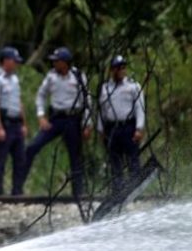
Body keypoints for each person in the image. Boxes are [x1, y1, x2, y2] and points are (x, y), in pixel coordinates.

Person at [21, 47, 91, 200]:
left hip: (73, 119)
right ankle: (18, 187)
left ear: (65, 63)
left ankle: (78, 193)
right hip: (55, 118)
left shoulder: (78, 76)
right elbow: (40, 95)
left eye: (57, 61)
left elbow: (87, 100)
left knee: (76, 157)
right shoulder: (51, 77)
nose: (54, 64)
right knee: (33, 146)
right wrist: (41, 116)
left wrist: (87, 123)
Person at [97, 55, 146, 196]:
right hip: (112, 128)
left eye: (123, 67)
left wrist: (139, 128)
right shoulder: (105, 88)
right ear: (112, 70)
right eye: (118, 68)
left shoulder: (133, 86)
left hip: (128, 126)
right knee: (115, 161)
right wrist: (100, 129)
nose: (121, 70)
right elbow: (100, 110)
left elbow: (139, 107)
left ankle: (135, 189)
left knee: (132, 159)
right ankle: (118, 191)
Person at [0, 46, 27, 196]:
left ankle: (17, 191)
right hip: (5, 123)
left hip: (16, 123)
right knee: (1, 159)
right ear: (6, 61)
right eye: (14, 61)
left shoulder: (15, 79)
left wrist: (24, 123)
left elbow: (19, 101)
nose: (16, 64)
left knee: (20, 159)